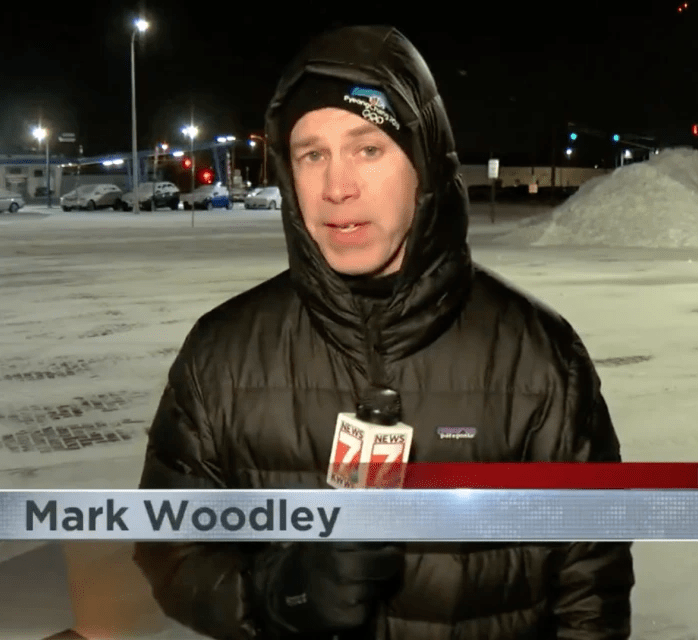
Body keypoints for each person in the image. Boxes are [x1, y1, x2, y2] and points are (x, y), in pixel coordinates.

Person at [133, 24, 634, 640]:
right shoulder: (222, 355)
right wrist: (275, 593)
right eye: (312, 154)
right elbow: (168, 546)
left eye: (368, 149)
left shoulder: (540, 358)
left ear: (424, 162)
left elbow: (591, 592)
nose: (337, 188)